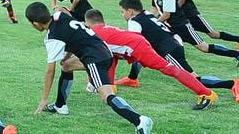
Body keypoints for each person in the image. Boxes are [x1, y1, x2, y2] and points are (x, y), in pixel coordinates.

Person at [25, 2, 153, 134]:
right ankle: (60, 106)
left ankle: (139, 120)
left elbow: (50, 71)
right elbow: (73, 35)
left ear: (35, 23)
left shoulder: (52, 38)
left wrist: (44, 99)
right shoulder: (59, 15)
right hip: (104, 51)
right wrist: (67, 57)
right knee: (67, 65)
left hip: (95, 59)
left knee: (107, 96)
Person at [76, 9, 218, 110]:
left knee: (170, 69)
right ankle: (111, 88)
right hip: (136, 43)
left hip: (137, 47)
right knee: (111, 57)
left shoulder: (92, 33)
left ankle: (207, 94)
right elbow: (110, 58)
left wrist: (92, 81)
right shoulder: (106, 28)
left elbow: (91, 59)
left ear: (87, 23)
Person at [117, 0, 239, 103]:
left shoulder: (133, 21)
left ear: (130, 11)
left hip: (169, 49)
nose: (122, 14)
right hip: (174, 41)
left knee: (192, 78)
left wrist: (120, 53)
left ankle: (232, 84)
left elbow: (135, 42)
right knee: (142, 56)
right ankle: (132, 79)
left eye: (123, 11)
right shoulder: (146, 13)